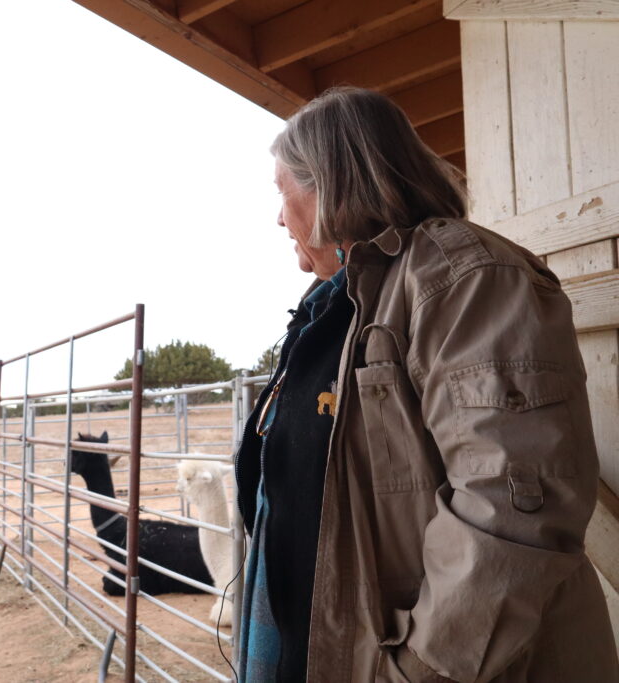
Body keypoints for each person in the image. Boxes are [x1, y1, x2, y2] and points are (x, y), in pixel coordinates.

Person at [235, 86, 619, 683]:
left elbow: (513, 505)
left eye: (283, 191)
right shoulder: (335, 304)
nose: (278, 216)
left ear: (334, 181)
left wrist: (418, 671)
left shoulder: (462, 277)